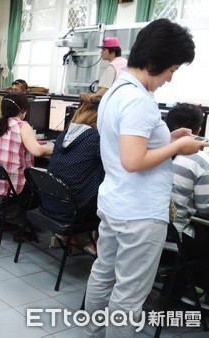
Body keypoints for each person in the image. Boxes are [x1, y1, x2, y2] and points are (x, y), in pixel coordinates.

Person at [84, 19, 204, 338]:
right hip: (140, 214)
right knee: (129, 296)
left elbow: (131, 144)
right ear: (152, 63)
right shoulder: (140, 101)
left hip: (115, 203)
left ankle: (94, 332)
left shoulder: (117, 91)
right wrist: (179, 145)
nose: (169, 79)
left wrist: (169, 138)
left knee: (103, 274)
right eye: (171, 70)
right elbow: (134, 159)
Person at [42, 95, 104, 254]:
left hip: (49, 204)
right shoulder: (95, 139)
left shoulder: (64, 134)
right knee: (114, 202)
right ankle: (97, 245)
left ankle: (72, 238)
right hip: (72, 212)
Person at [0, 92, 53, 202]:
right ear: (22, 110)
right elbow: (37, 151)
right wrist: (55, 149)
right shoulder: (23, 126)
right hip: (12, 186)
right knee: (46, 181)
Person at [167, 103, 209, 293]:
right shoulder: (200, 162)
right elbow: (205, 208)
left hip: (148, 231)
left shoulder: (153, 151)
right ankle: (191, 289)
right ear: (197, 130)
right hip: (174, 240)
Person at [86, 37, 129, 103]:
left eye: (104, 49)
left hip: (114, 103)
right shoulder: (126, 62)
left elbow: (104, 90)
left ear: (113, 51)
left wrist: (89, 99)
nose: (101, 52)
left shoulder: (112, 67)